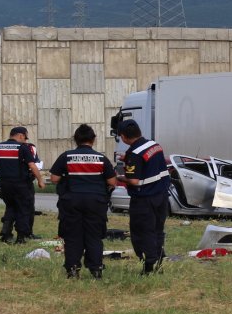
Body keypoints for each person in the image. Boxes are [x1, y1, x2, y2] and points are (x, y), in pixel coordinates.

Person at [50, 124, 117, 279]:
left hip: (71, 202)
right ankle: (96, 269)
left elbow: (54, 178)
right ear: (93, 140)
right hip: (96, 203)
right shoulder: (101, 159)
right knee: (94, 236)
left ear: (75, 139)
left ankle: (73, 270)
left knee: (72, 236)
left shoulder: (66, 156)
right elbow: (112, 182)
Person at [116, 119, 170, 275]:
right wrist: (128, 160)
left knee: (141, 232)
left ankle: (148, 267)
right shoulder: (154, 145)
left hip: (144, 199)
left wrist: (120, 177)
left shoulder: (134, 153)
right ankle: (159, 262)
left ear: (124, 136)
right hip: (161, 196)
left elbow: (133, 180)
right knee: (157, 230)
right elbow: (150, 166)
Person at [0, 126, 45, 244]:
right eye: (25, 137)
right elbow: (32, 166)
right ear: (20, 135)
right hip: (21, 185)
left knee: (11, 207)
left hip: (5, 185)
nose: (25, 140)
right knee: (23, 209)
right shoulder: (22, 148)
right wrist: (40, 180)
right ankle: (21, 237)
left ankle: (5, 234)